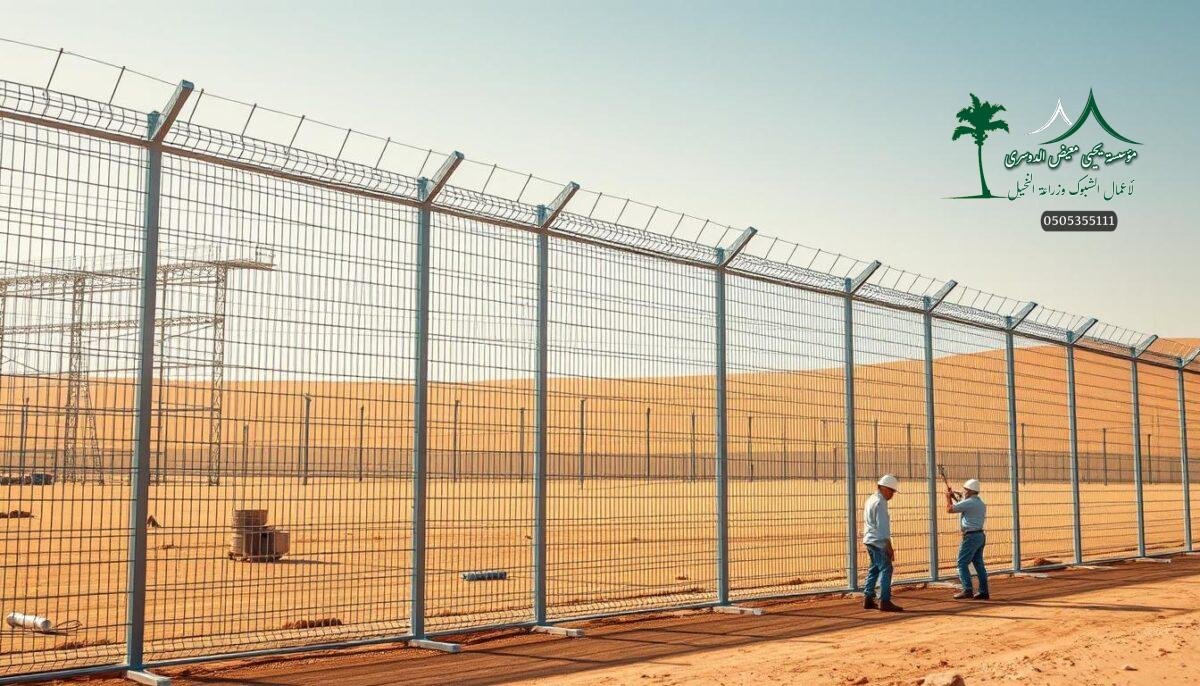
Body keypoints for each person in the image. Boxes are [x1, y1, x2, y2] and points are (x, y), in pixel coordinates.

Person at [862, 474, 902, 612]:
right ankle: (885, 600)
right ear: (884, 488)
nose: (892, 494)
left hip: (869, 539)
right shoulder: (880, 502)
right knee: (886, 568)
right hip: (878, 541)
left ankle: (868, 597)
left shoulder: (871, 499)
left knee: (874, 568)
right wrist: (889, 546)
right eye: (891, 491)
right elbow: (883, 527)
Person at [945, 477, 989, 600]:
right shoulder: (979, 502)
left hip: (970, 537)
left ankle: (967, 589)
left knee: (962, 563)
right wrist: (954, 497)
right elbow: (962, 504)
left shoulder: (969, 502)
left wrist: (948, 497)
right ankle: (984, 591)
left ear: (969, 491)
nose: (964, 492)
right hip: (980, 536)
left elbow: (950, 509)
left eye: (965, 490)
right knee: (979, 564)